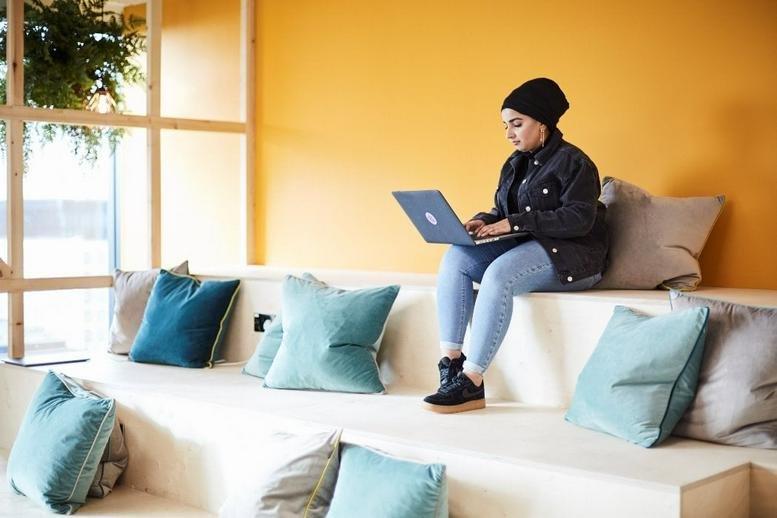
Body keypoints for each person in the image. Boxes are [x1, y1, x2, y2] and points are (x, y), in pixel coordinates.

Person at [423, 78, 608, 413]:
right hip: (531, 248)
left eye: (517, 124)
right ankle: (451, 364)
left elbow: (581, 219)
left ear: (543, 124)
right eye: (506, 125)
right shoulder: (515, 163)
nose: (509, 133)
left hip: (573, 258)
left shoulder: (575, 162)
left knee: (498, 274)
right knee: (457, 257)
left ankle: (472, 381)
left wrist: (515, 223)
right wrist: (483, 220)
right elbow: (503, 212)